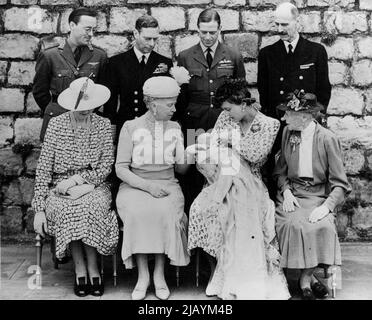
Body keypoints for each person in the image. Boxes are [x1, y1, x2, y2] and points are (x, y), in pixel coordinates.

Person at [187, 79, 290, 300]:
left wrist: (230, 142)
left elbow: (257, 156)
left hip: (252, 182)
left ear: (243, 104)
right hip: (220, 179)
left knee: (241, 208)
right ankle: (222, 273)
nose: (225, 114)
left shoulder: (270, 124)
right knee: (205, 208)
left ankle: (246, 280)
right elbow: (211, 150)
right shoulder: (225, 118)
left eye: (228, 108)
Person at [32, 77, 119, 297]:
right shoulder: (56, 124)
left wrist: (78, 182)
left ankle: (93, 266)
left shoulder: (103, 125)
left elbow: (106, 165)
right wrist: (39, 208)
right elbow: (43, 168)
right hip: (59, 185)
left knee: (91, 206)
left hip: (94, 184)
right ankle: (80, 268)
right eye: (81, 108)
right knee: (68, 209)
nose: (86, 111)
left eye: (90, 107)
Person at [115, 76, 191, 300]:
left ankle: (159, 274)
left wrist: (190, 153)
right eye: (170, 104)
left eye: (174, 103)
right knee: (139, 212)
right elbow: (121, 168)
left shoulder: (176, 127)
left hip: (167, 183)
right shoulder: (130, 127)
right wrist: (148, 187)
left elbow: (182, 170)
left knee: (165, 212)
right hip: (135, 185)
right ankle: (143, 276)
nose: (174, 109)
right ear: (152, 104)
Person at [274, 91, 351, 300]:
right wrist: (286, 191)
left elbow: (340, 183)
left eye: (288, 114)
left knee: (322, 225)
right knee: (292, 224)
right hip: (294, 193)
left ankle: (306, 279)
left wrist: (326, 207)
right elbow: (280, 171)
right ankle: (308, 280)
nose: (283, 118)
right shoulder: (289, 133)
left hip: (318, 195)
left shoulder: (327, 138)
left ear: (305, 117)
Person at [257, 1, 331, 198]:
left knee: (306, 170)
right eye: (277, 25)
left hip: (307, 125)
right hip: (280, 126)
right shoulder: (267, 54)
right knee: (278, 172)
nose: (280, 30)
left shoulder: (316, 51)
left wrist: (312, 120)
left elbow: (324, 91)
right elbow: (264, 95)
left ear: (297, 22)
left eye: (285, 25)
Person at [176, 8, 246, 215]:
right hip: (194, 124)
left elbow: (241, 93)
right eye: (203, 32)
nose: (207, 37)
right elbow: (182, 97)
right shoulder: (185, 57)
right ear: (197, 29)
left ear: (220, 30)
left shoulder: (233, 56)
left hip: (223, 124)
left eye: (212, 32)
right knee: (194, 174)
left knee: (223, 172)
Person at [33, 7, 107, 141]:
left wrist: (86, 110)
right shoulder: (50, 55)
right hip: (56, 123)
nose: (91, 34)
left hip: (86, 124)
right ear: (72, 25)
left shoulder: (99, 56)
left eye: (93, 30)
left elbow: (101, 90)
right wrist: (56, 110)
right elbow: (39, 92)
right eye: (87, 29)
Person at [103, 15, 173, 141]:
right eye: (147, 39)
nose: (152, 44)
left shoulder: (164, 62)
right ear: (136, 33)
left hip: (155, 129)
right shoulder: (117, 62)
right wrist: (111, 130)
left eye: (155, 39)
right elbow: (111, 102)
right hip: (127, 126)